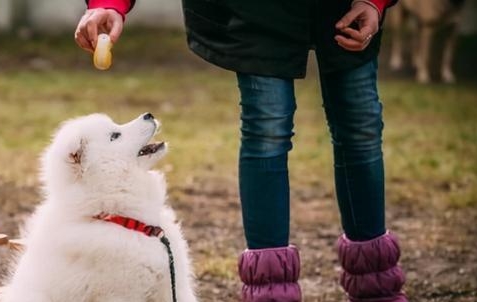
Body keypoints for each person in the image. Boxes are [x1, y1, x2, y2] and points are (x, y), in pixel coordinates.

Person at [74, 0, 408, 301]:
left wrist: (374, 2)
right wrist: (110, 3)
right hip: (256, 11)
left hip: (346, 5)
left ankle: (376, 288)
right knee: (267, 128)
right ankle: (270, 295)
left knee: (360, 127)